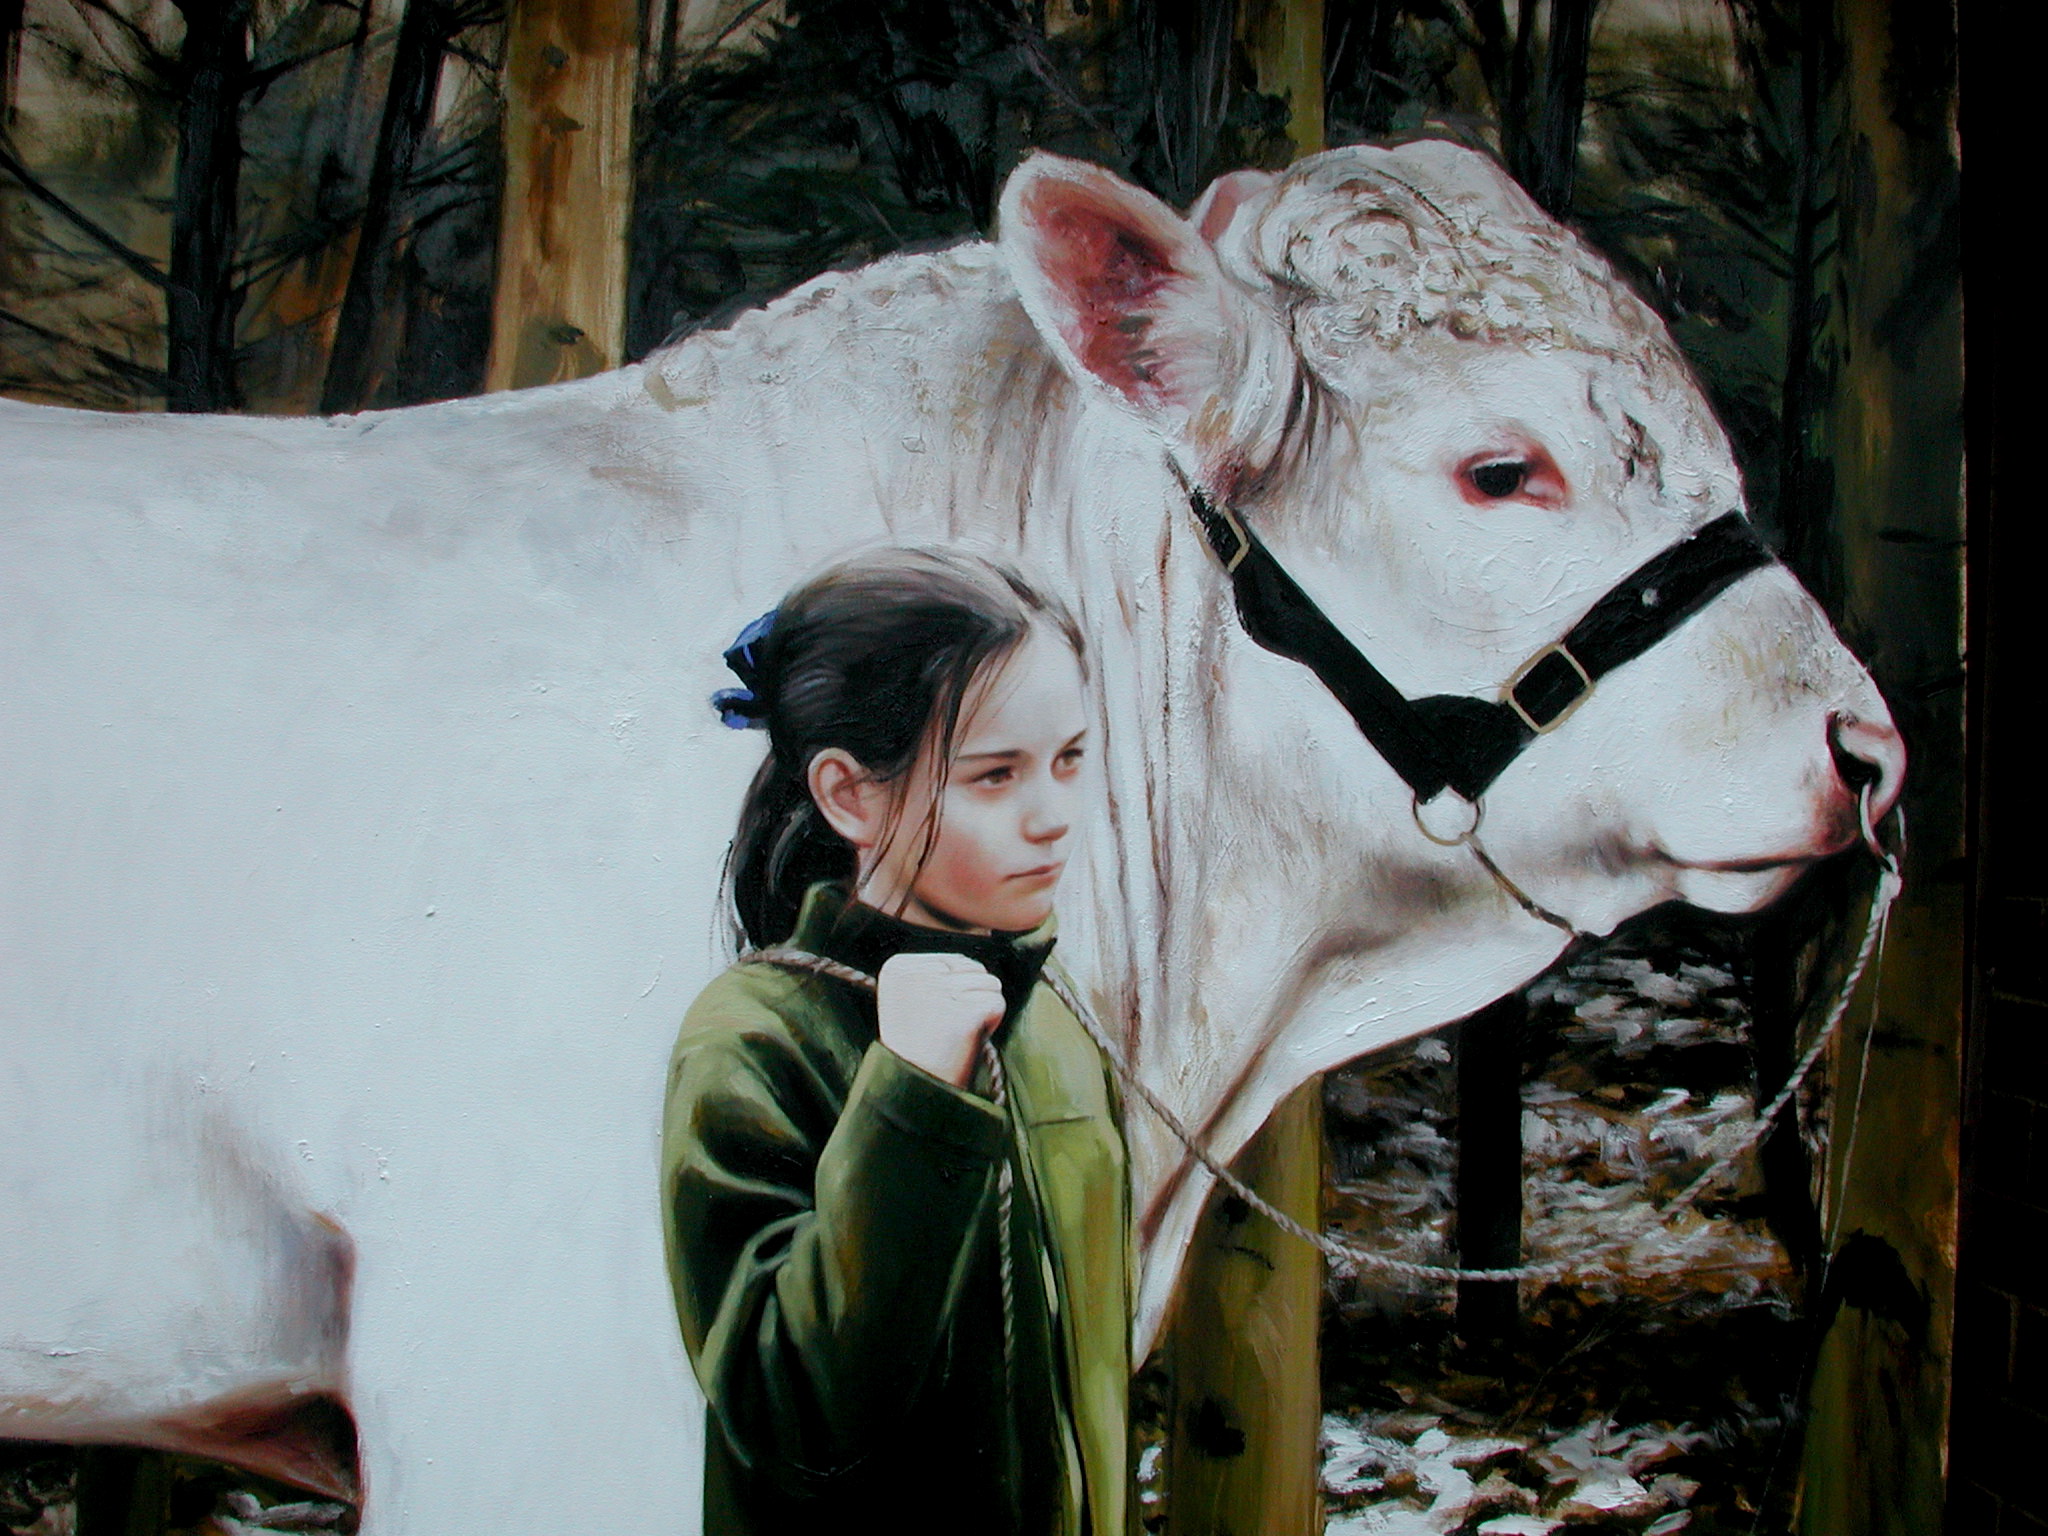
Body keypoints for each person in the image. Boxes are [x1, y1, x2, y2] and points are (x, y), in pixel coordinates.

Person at [660, 547, 1132, 1534]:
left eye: (1070, 760)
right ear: (849, 795)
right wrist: (910, 1094)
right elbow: (792, 1422)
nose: (1053, 817)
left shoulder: (1054, 1017)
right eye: (994, 776)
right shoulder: (756, 1039)